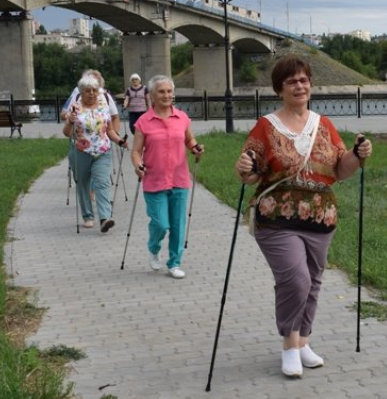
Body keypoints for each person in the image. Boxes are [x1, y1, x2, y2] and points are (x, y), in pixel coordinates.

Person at [234, 55, 372, 379]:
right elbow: (250, 172)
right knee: (296, 280)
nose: (299, 86)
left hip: (320, 219)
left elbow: (341, 169)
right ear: (279, 89)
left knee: (313, 280)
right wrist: (244, 170)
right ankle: (289, 345)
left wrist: (357, 155)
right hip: (276, 219)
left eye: (304, 80)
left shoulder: (323, 125)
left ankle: (304, 341)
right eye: (291, 81)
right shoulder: (266, 127)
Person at [131, 75, 204, 280]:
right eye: (161, 92)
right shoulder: (143, 122)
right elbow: (136, 152)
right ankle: (153, 247)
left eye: (169, 91)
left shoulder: (182, 118)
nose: (166, 95)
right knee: (161, 224)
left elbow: (189, 139)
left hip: (180, 178)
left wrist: (196, 148)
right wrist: (138, 165)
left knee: (178, 224)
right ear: (152, 95)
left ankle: (174, 263)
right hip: (154, 180)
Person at [63, 73, 128, 231]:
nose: (91, 93)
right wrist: (70, 122)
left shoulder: (103, 106)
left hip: (102, 151)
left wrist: (119, 141)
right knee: (83, 184)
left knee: (102, 183)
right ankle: (88, 216)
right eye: (87, 90)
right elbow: (66, 132)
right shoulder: (75, 108)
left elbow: (110, 130)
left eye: (94, 90)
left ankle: (105, 217)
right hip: (80, 151)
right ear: (81, 92)